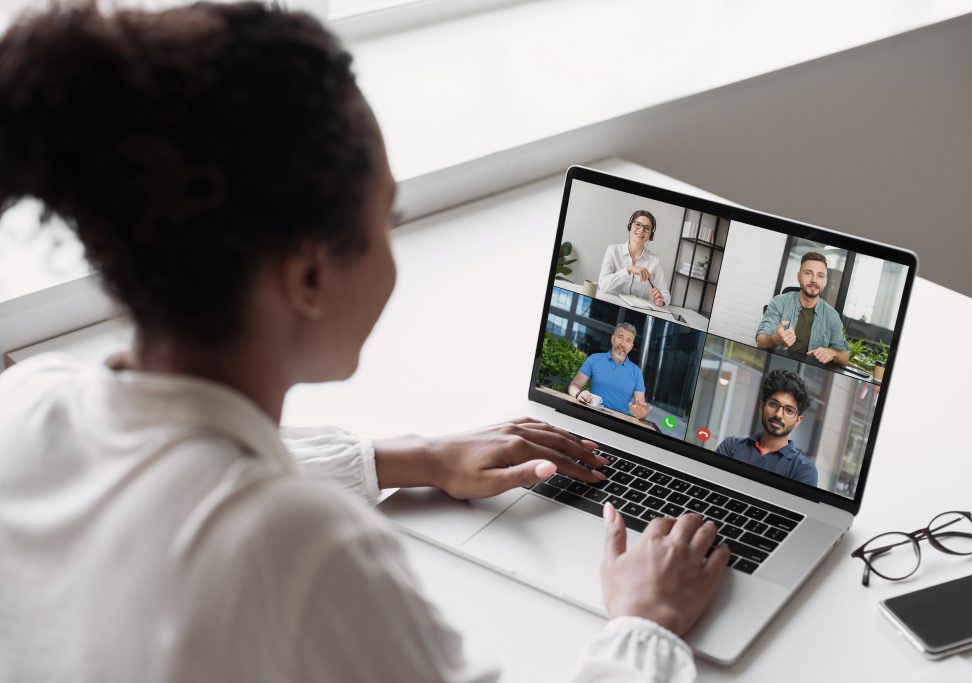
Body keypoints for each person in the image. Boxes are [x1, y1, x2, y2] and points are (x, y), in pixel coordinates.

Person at [0, 3, 729, 681]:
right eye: (389, 218)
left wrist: (407, 457)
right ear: (310, 275)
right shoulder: (307, 556)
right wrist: (647, 622)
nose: (393, 253)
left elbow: (181, 468)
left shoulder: (30, 402)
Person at [715, 370, 819, 486]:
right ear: (761, 407)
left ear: (798, 421)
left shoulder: (803, 470)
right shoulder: (731, 446)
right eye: (773, 404)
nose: (779, 415)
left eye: (789, 410)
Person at [755, 251, 850, 365]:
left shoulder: (832, 315)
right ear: (798, 276)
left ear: (825, 281)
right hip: (775, 364)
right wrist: (776, 340)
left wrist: (832, 353)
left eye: (820, 275)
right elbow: (761, 341)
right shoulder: (779, 302)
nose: (814, 280)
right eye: (808, 273)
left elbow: (844, 357)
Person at [567, 322, 653, 421]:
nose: (623, 344)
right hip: (591, 417)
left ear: (631, 346)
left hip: (619, 424)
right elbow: (574, 385)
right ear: (613, 338)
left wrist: (641, 415)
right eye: (620, 337)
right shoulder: (594, 359)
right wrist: (578, 394)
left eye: (628, 340)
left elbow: (640, 408)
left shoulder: (637, 372)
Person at [598, 209, 672, 307]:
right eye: (638, 224)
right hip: (609, 307)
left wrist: (661, 300)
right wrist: (628, 269)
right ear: (630, 226)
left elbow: (666, 295)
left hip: (637, 312)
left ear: (651, 235)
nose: (641, 230)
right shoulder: (613, 250)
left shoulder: (655, 261)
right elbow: (603, 285)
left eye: (647, 228)